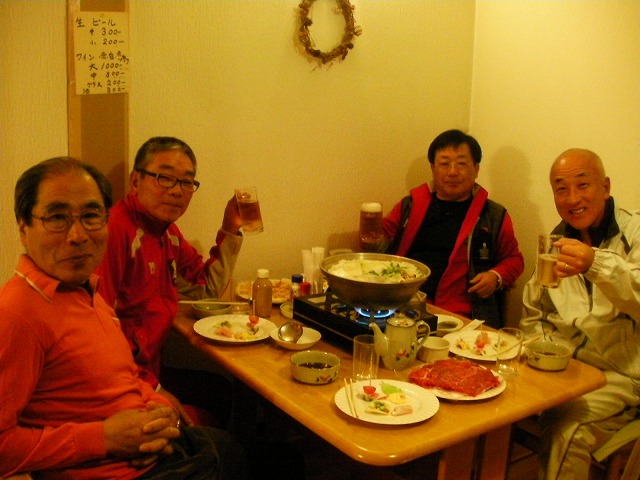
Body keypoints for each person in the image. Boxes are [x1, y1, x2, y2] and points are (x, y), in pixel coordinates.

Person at [0, 157, 249, 479]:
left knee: (243, 448)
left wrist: (157, 404)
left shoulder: (85, 288)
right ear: (24, 229)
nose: (77, 235)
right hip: (122, 471)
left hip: (151, 443)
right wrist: (103, 438)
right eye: (57, 217)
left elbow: (119, 375)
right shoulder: (18, 313)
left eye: (90, 216)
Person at [96, 136, 243, 427]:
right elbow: (98, 331)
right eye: (164, 178)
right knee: (216, 428)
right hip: (122, 382)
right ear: (135, 181)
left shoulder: (166, 232)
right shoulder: (117, 231)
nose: (177, 190)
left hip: (151, 370)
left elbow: (205, 289)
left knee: (224, 392)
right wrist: (154, 389)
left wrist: (231, 228)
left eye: (186, 182)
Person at [521, 148, 640, 479]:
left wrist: (595, 263)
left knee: (566, 427)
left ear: (605, 187)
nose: (573, 198)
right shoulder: (556, 242)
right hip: (567, 370)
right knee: (501, 395)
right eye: (561, 189)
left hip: (623, 376)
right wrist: (543, 352)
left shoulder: (634, 233)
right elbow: (534, 314)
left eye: (583, 185)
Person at [369, 129, 524, 327]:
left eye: (461, 164)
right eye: (444, 164)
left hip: (461, 317)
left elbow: (514, 259)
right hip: (403, 307)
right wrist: (370, 234)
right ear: (433, 168)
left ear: (476, 168)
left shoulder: (493, 215)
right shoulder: (411, 205)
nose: (452, 172)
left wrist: (495, 276)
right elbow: (380, 246)